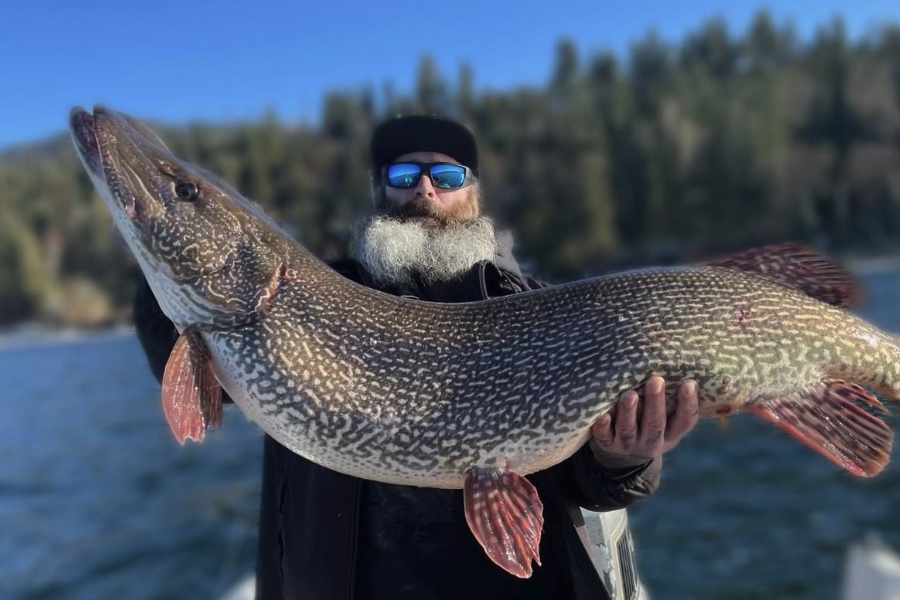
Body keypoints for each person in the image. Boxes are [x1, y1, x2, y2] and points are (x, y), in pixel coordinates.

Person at [133, 115, 700, 600]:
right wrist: (160, 256)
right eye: (405, 176)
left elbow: (594, 484)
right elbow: (182, 364)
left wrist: (627, 457)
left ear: (471, 193)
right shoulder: (309, 296)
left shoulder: (537, 307)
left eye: (446, 176)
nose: (425, 190)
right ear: (381, 193)